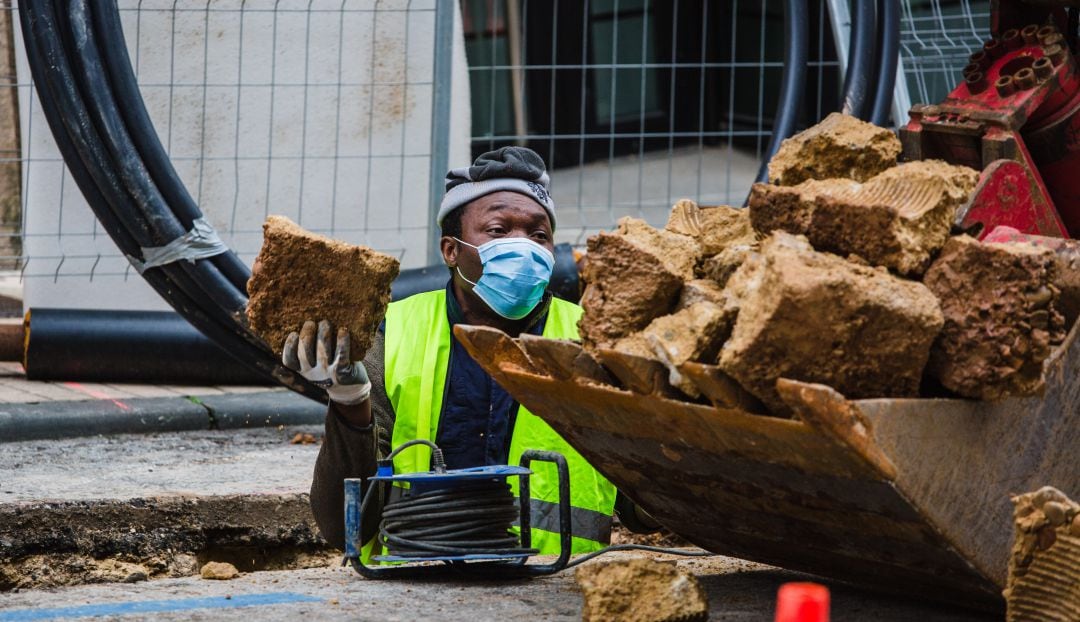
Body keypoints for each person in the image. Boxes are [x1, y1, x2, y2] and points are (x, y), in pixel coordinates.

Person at [285, 147, 651, 561]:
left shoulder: (596, 339)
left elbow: (646, 514)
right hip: (414, 588)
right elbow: (344, 527)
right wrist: (351, 406)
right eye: (497, 230)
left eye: (538, 235)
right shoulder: (392, 336)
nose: (522, 246)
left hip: (559, 588)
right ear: (451, 250)